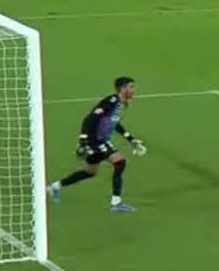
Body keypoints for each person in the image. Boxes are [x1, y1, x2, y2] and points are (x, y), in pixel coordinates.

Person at [46, 77, 147, 212]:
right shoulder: (111, 101)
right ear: (123, 88)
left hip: (99, 140)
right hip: (96, 140)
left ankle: (54, 187)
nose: (134, 90)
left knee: (89, 172)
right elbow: (90, 118)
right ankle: (116, 202)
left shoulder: (121, 104)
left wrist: (130, 139)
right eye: (131, 87)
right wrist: (83, 140)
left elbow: (114, 123)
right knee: (120, 162)